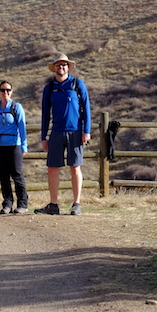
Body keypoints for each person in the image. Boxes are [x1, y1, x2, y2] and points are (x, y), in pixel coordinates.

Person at [35, 54, 91, 216]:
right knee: (52, 168)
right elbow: (45, 114)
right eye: (58, 65)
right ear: (54, 68)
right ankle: (53, 204)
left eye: (64, 65)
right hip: (56, 132)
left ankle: (76, 203)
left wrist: (86, 131)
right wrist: (43, 137)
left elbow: (86, 109)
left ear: (68, 67)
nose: (61, 68)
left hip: (75, 132)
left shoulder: (77, 84)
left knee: (75, 167)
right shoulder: (49, 88)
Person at [0, 80, 29, 214]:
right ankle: (7, 203)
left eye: (8, 90)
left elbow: (22, 127)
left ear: (12, 91)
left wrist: (24, 146)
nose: (5, 93)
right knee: (3, 176)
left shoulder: (17, 107)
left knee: (17, 175)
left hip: (14, 145)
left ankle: (22, 203)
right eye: (3, 90)